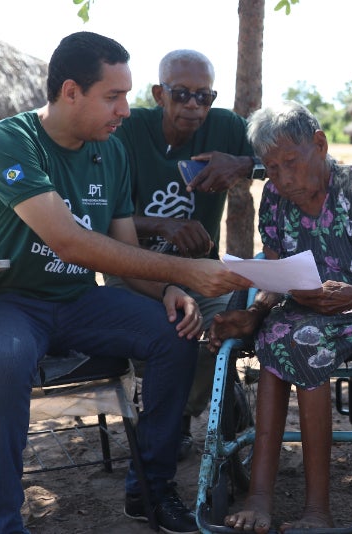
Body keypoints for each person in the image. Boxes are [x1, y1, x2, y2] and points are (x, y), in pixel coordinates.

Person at [0, 31, 252, 534]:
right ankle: (2, 522)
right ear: (71, 91)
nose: (124, 110)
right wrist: (186, 272)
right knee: (7, 361)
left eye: (127, 96)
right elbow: (70, 243)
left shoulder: (110, 152)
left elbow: (123, 256)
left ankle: (151, 492)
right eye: (113, 97)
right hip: (6, 303)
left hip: (77, 300)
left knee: (174, 333)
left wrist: (168, 292)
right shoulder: (9, 140)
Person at [206, 101, 352, 532]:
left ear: (321, 145)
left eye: (290, 162)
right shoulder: (273, 197)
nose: (282, 178)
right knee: (276, 334)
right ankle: (260, 498)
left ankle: (317, 510)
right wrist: (254, 312)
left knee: (298, 341)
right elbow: (274, 276)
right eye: (271, 168)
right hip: (297, 310)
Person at [107, 48, 264, 461]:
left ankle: (179, 416)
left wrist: (244, 163)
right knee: (174, 333)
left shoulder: (227, 128)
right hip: (133, 269)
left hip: (198, 274)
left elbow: (290, 154)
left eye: (204, 96)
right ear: (159, 94)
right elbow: (100, 218)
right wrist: (162, 225)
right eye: (181, 95)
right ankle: (174, 417)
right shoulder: (128, 131)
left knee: (221, 332)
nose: (194, 107)